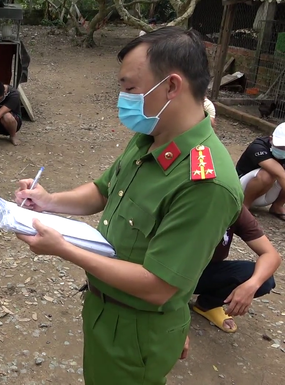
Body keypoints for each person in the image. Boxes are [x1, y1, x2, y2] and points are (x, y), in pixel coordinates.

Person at [14, 27, 243, 384]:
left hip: (138, 329)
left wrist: (64, 249)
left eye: (130, 88)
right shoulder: (152, 136)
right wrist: (48, 201)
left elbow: (158, 285)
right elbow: (104, 191)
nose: (123, 98)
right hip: (105, 308)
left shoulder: (206, 183)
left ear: (171, 86)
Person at [193, 206, 280, 333]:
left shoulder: (233, 205)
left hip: (202, 273)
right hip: (167, 271)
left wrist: (252, 284)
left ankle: (208, 303)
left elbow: (272, 255)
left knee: (263, 279)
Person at [235, 122, 285, 220]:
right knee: (269, 173)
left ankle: (277, 206)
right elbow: (281, 175)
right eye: (281, 147)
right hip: (241, 190)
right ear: (271, 139)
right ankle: (243, 208)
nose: (283, 149)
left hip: (267, 193)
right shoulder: (258, 146)